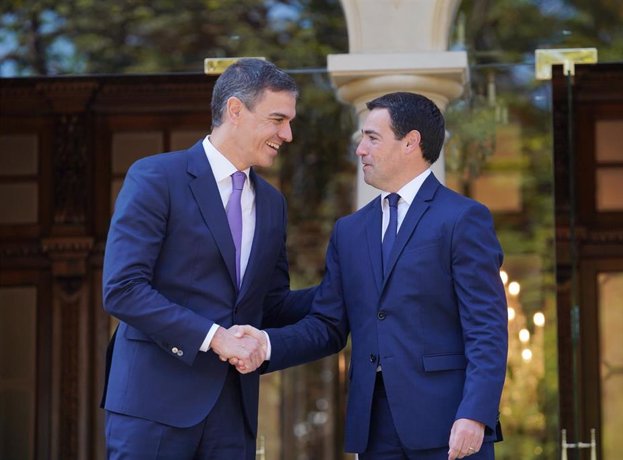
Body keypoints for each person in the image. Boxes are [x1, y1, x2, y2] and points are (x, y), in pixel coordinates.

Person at [239, 92, 508, 459]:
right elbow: (327, 324)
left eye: (372, 138)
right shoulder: (349, 231)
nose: (360, 150)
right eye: (361, 139)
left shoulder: (462, 219)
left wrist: (475, 414)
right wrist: (264, 347)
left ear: (411, 142)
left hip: (450, 426)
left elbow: (486, 329)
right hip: (373, 429)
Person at [101, 58, 314, 459]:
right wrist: (215, 337)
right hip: (154, 407)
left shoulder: (272, 203)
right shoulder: (156, 178)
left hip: (233, 414)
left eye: (289, 122)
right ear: (235, 110)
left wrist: (348, 290)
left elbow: (270, 304)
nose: (287, 134)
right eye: (277, 119)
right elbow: (123, 289)